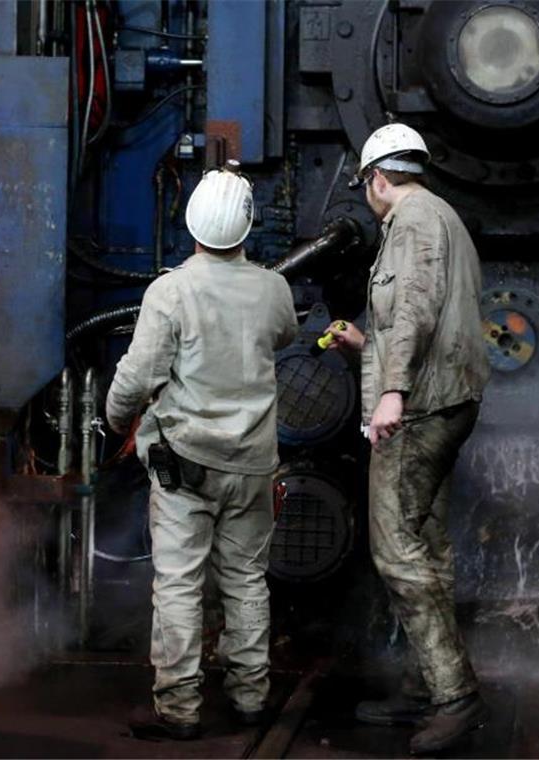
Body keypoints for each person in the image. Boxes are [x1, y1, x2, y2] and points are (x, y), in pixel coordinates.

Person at [106, 161, 298, 741]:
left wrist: (115, 421)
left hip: (184, 466)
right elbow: (285, 335)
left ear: (192, 227)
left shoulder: (170, 291)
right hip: (253, 466)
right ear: (245, 229)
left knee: (181, 585)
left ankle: (180, 710)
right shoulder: (274, 288)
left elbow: (136, 378)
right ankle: (250, 699)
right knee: (246, 580)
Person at [325, 123, 492, 755]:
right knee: (426, 545)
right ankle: (428, 685)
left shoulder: (415, 221)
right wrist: (367, 350)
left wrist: (391, 391)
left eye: (364, 182)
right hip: (446, 397)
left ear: (376, 177)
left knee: (396, 549)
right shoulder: (439, 216)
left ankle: (454, 697)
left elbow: (419, 305)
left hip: (422, 406)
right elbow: (426, 321)